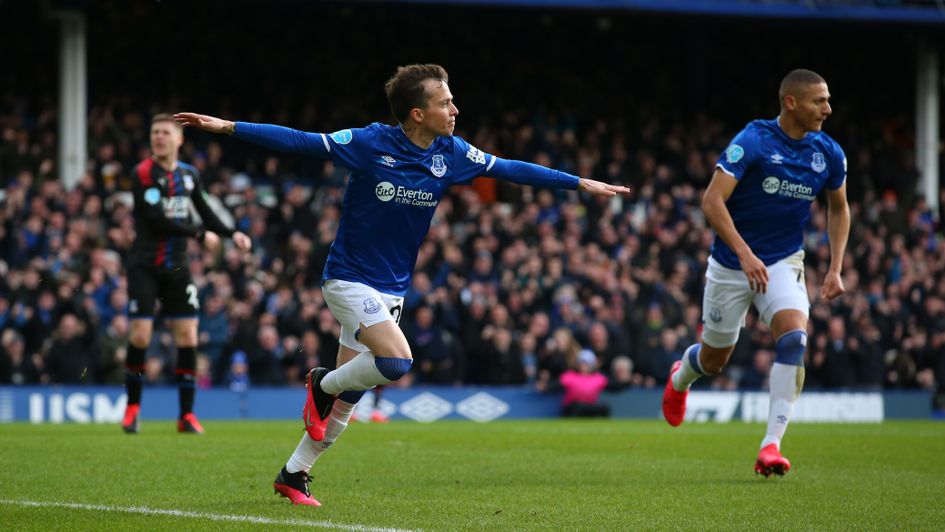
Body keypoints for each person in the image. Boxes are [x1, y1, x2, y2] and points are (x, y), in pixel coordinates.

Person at [175, 63, 630, 507]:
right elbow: (300, 141)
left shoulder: (450, 154)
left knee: (347, 403)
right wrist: (228, 127)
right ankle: (321, 384)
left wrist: (578, 183)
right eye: (445, 102)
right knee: (396, 361)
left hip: (392, 289)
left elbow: (509, 168)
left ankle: (293, 474)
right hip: (348, 279)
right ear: (417, 113)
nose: (455, 109)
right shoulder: (371, 142)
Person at [661, 69, 850, 477]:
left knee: (794, 338)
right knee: (714, 360)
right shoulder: (754, 141)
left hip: (783, 261)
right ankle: (680, 378)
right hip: (732, 264)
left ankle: (770, 446)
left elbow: (839, 207)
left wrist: (835, 267)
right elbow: (712, 201)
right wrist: (745, 254)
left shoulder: (828, 153)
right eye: (820, 101)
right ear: (791, 102)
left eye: (828, 99)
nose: (828, 109)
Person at [122, 114, 252, 435]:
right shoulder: (143, 173)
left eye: (165, 133)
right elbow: (156, 219)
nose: (159, 138)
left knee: (188, 338)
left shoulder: (189, 175)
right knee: (140, 335)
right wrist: (198, 235)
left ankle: (186, 416)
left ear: (179, 139)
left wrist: (231, 233)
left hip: (178, 268)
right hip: (145, 265)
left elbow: (205, 211)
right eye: (155, 133)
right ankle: (133, 408)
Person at [559, 349, 610, 417]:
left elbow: (612, 386)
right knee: (577, 407)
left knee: (604, 408)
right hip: (573, 407)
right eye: (581, 362)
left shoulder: (599, 377)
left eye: (586, 363)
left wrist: (626, 382)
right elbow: (557, 385)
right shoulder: (569, 375)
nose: (583, 365)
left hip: (590, 406)